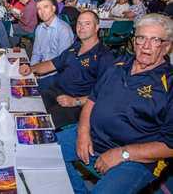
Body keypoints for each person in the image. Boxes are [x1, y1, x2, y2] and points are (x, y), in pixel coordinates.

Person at [56, 13, 173, 193]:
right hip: (93, 137)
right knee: (45, 151)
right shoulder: (119, 63)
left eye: (155, 40)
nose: (146, 46)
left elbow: (169, 146)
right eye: (141, 38)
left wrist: (123, 153)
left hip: (136, 159)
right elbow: (92, 100)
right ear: (134, 42)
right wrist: (83, 132)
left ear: (166, 47)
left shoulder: (169, 85)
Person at [19, 11, 114, 128]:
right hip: (56, 91)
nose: (81, 27)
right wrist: (31, 68)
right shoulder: (76, 46)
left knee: (40, 124)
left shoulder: (104, 56)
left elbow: (105, 92)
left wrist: (75, 101)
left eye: (87, 24)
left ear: (97, 27)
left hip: (76, 102)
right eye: (79, 23)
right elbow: (52, 64)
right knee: (26, 106)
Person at [32, 0, 75, 90]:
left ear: (54, 8)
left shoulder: (64, 30)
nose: (42, 11)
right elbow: (36, 54)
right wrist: (32, 71)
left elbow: (62, 62)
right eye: (39, 9)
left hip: (57, 74)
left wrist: (41, 73)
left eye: (46, 7)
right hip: (41, 70)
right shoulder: (39, 28)